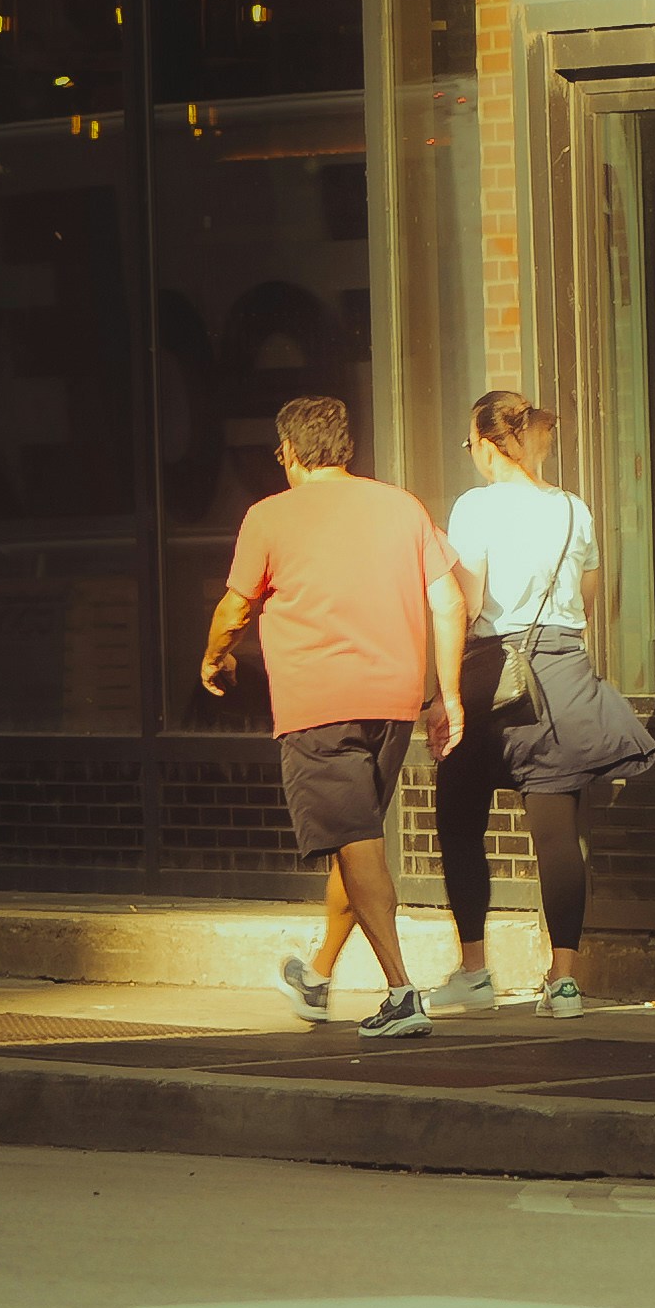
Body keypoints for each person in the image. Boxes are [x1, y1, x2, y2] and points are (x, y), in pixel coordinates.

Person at [203, 395, 464, 1041]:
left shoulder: (269, 516)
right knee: (358, 840)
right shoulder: (402, 507)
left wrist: (215, 661)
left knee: (358, 843)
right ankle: (317, 976)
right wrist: (447, 696)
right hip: (394, 705)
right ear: (344, 447)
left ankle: (402, 993)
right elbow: (452, 600)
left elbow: (234, 611)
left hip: (320, 706)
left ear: (289, 453)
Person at [431, 390, 604, 1018]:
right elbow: (589, 601)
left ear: (484, 441)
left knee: (457, 817)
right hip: (561, 670)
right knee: (557, 835)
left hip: (492, 669)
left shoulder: (474, 507)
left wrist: (443, 693)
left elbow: (467, 603)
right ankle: (563, 982)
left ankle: (475, 971)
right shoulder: (572, 508)